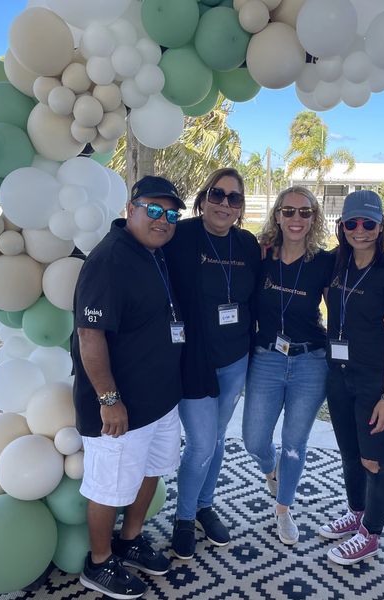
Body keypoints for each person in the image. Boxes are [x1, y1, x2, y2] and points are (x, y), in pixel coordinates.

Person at [71, 176, 185, 599]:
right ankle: (98, 563)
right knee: (108, 487)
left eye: (171, 214)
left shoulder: (152, 254)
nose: (163, 220)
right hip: (119, 408)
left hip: (159, 401)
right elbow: (89, 335)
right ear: (130, 210)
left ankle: (130, 540)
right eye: (153, 210)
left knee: (153, 470)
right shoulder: (110, 260)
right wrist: (109, 400)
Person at [163, 168, 261, 560]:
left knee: (217, 439)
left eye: (234, 198)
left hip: (235, 358)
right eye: (217, 195)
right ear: (204, 199)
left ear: (240, 208)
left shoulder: (249, 245)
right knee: (202, 443)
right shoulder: (179, 237)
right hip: (192, 360)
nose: (224, 203)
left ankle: (204, 506)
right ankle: (184, 518)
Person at [319, 191, 384, 565]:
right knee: (349, 455)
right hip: (338, 375)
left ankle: (371, 533)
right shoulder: (334, 264)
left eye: (368, 224)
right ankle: (356, 513)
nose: (360, 231)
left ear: (380, 227)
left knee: (374, 460)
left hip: (376, 380)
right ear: (341, 227)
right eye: (351, 223)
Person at [243, 185, 334, 545]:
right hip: (266, 357)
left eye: (305, 212)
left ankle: (284, 510)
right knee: (254, 439)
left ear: (314, 219)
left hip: (310, 360)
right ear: (277, 215)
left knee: (294, 442)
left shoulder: (325, 262)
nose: (297, 219)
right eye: (289, 211)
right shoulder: (261, 256)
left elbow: (349, 302)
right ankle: (272, 472)